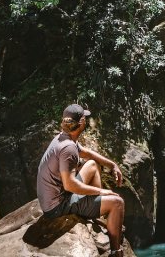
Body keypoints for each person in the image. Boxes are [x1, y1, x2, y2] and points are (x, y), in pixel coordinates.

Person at [36, 103, 126, 255]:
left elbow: (87, 153)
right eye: (85, 118)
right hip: (57, 205)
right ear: (81, 122)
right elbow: (70, 185)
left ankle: (96, 211)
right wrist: (102, 191)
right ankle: (115, 251)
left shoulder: (62, 138)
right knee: (118, 203)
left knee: (91, 165)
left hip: (55, 196)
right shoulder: (68, 148)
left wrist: (112, 165)